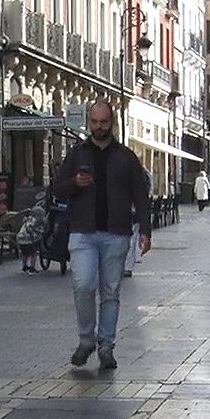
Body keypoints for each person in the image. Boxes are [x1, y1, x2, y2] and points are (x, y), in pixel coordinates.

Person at [52, 101, 151, 372]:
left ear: (112, 122)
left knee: (111, 292)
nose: (99, 127)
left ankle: (106, 346)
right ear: (89, 122)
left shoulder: (126, 157)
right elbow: (57, 189)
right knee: (83, 286)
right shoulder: (77, 154)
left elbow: (140, 195)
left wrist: (145, 230)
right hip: (82, 232)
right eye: (94, 122)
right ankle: (86, 340)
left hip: (116, 233)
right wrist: (75, 183)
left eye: (104, 122)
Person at [16, 195, 48, 274]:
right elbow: (31, 229)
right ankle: (32, 267)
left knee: (25, 253)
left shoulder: (27, 219)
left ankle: (24, 266)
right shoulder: (35, 221)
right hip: (28, 239)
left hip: (20, 238)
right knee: (34, 253)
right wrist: (34, 237)